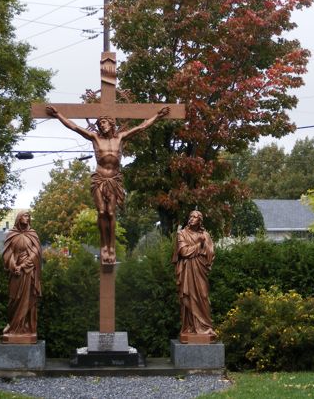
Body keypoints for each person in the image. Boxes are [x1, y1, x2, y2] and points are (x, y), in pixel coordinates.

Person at [46, 105, 169, 264]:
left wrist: (158, 116)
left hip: (114, 180)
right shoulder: (95, 138)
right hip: (99, 179)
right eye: (99, 123)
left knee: (111, 213)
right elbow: (74, 127)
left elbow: (142, 126)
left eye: (104, 122)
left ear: (111, 124)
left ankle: (111, 247)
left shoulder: (120, 138)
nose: (101, 125)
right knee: (102, 211)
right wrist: (58, 114)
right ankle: (104, 246)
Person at [172, 210, 217, 342]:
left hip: (200, 270)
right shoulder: (182, 233)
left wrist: (204, 245)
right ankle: (190, 327)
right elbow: (183, 251)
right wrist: (200, 245)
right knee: (188, 297)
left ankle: (205, 327)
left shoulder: (205, 235)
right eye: (190, 216)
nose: (191, 219)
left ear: (200, 221)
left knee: (203, 295)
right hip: (187, 271)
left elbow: (211, 254)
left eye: (195, 217)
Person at [2, 211, 42, 343]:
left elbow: (36, 253)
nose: (27, 218)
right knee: (14, 299)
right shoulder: (11, 235)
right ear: (19, 218)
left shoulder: (33, 235)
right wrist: (14, 267)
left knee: (28, 299)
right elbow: (7, 253)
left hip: (28, 272)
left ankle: (25, 326)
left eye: (28, 216)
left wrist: (23, 266)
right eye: (25, 216)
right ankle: (13, 326)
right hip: (16, 274)